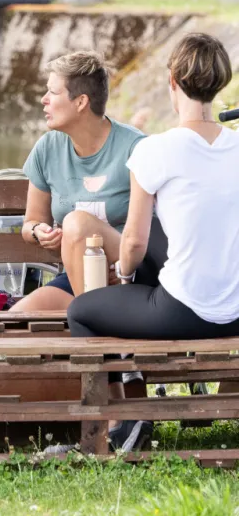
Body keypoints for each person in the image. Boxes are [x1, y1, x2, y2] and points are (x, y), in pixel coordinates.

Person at [68, 32, 239, 450]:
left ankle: (122, 421)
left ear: (173, 81)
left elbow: (133, 245)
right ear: (220, 84)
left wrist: (124, 277)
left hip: (185, 313)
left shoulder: (154, 150)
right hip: (238, 310)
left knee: (81, 312)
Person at [10, 50, 153, 313]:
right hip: (79, 276)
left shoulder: (135, 148)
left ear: (81, 102)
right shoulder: (47, 148)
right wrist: (39, 232)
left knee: (77, 221)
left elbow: (156, 230)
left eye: (52, 93)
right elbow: (30, 223)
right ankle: (93, 316)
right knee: (15, 319)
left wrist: (123, 270)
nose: (43, 100)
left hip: (131, 277)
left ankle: (93, 323)